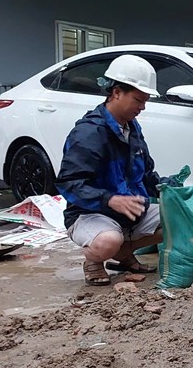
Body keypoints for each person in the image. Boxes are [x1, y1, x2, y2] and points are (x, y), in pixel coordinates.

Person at [56, 55, 169, 286]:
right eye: (138, 100)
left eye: (145, 100)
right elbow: (69, 184)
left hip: (129, 214)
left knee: (180, 217)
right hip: (90, 214)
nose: (143, 107)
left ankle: (123, 254)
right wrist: (110, 200)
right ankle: (94, 261)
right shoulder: (89, 133)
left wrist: (167, 188)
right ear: (117, 92)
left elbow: (146, 173)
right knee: (108, 241)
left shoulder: (132, 128)